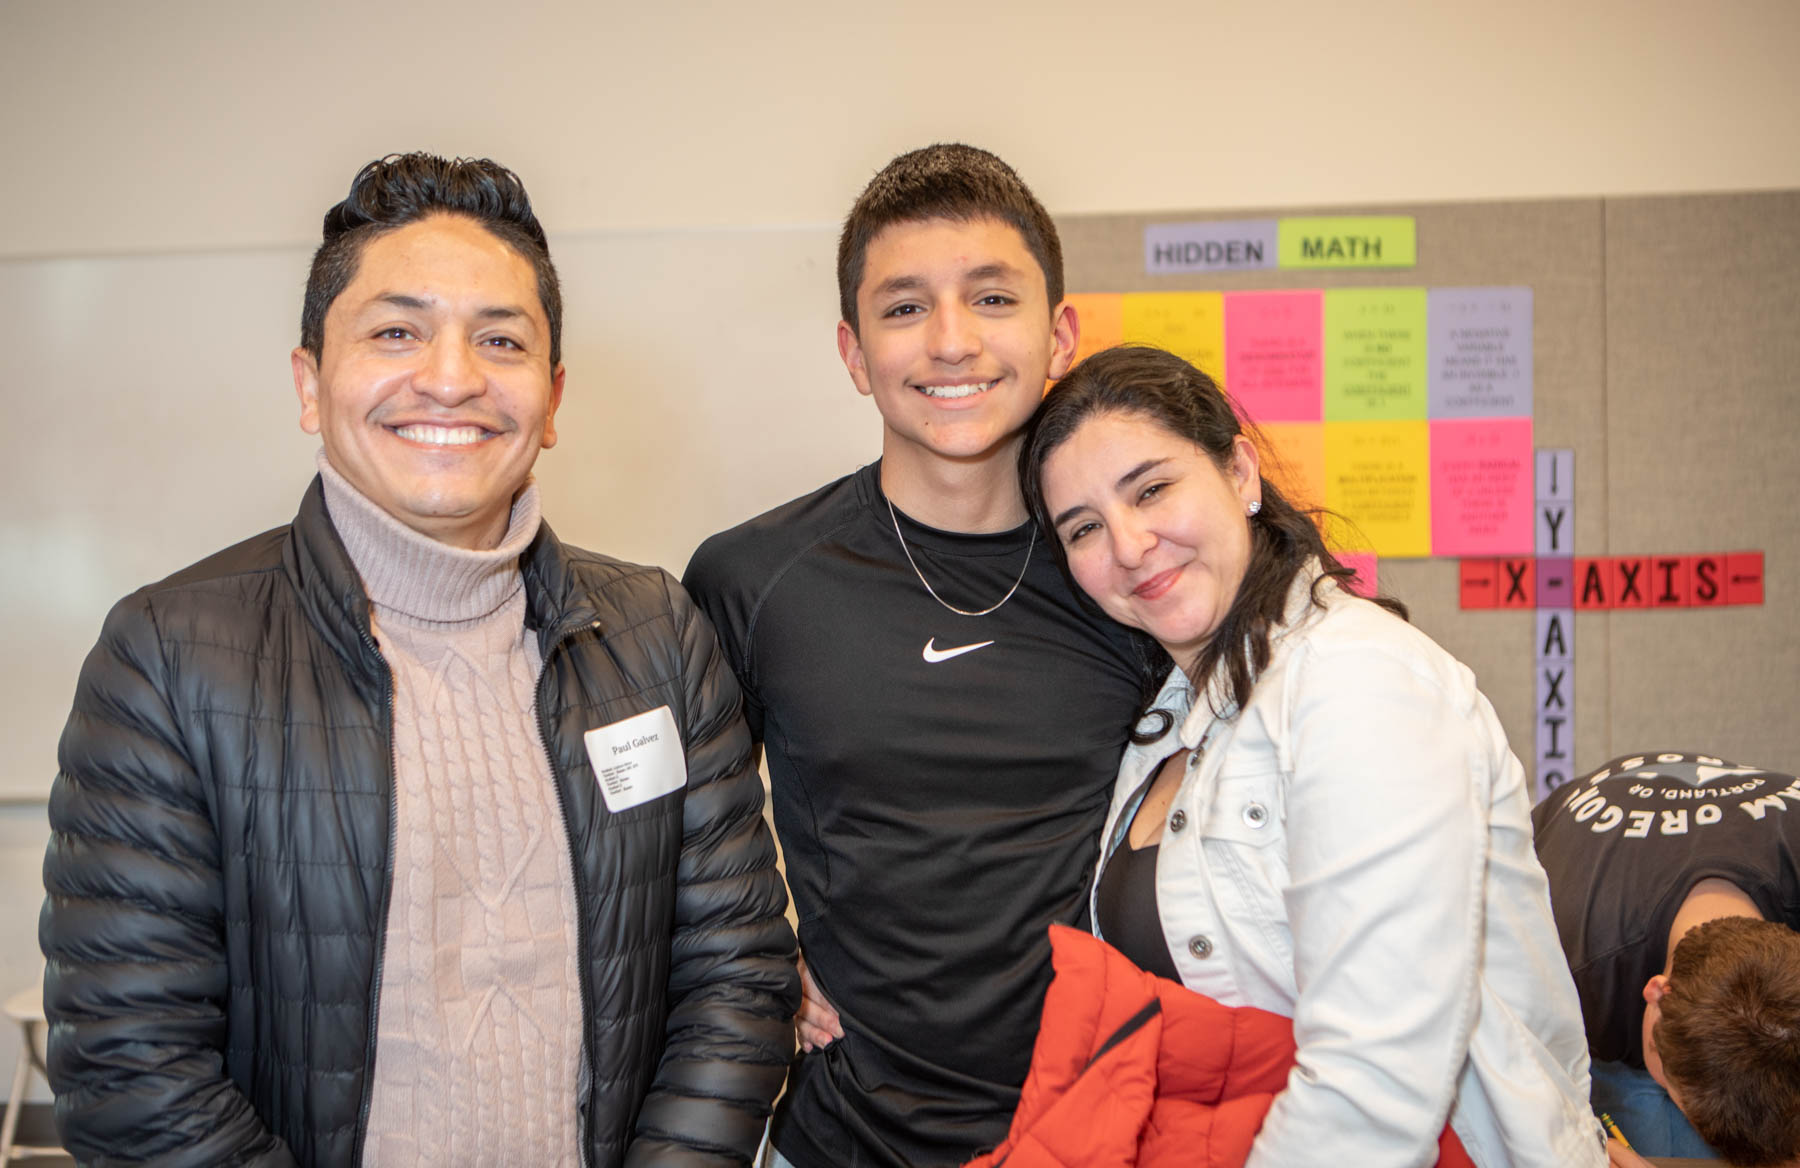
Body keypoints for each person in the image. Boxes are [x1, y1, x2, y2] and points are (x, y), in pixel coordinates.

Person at [40, 152, 798, 1167]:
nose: (451, 377)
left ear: (552, 399)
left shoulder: (656, 634)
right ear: (310, 383)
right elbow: (132, 1066)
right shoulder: (168, 660)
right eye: (396, 332)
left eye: (501, 339)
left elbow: (736, 976)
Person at [1017, 344, 1604, 1167]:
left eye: (1151, 490)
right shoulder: (1167, 721)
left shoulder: (1355, 677)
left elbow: (1376, 1076)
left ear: (1241, 474)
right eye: (1084, 528)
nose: (1129, 543)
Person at [682, 144, 1150, 1168]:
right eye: (904, 308)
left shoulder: (1133, 575)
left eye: (992, 298)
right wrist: (756, 951)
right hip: (840, 1139)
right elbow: (669, 834)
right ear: (854, 354)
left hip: (1099, 1137)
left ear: (1060, 334)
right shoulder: (753, 579)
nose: (951, 341)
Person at [1534, 750, 1800, 1166]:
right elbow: (1499, 1059)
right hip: (1585, 891)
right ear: (1656, 993)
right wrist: (1584, 1141)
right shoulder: (1568, 952)